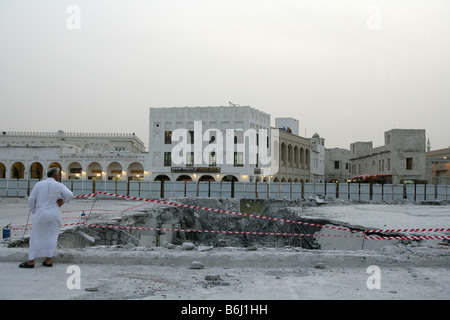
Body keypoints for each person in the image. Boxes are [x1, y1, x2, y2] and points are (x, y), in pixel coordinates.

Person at [19, 167, 73, 268]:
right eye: (59, 174)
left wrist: (35, 210)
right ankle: (48, 260)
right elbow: (70, 194)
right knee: (52, 236)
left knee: (36, 236)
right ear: (55, 175)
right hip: (54, 213)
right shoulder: (58, 185)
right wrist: (63, 201)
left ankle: (31, 261)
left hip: (40, 213)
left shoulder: (39, 184)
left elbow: (31, 199)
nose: (60, 176)